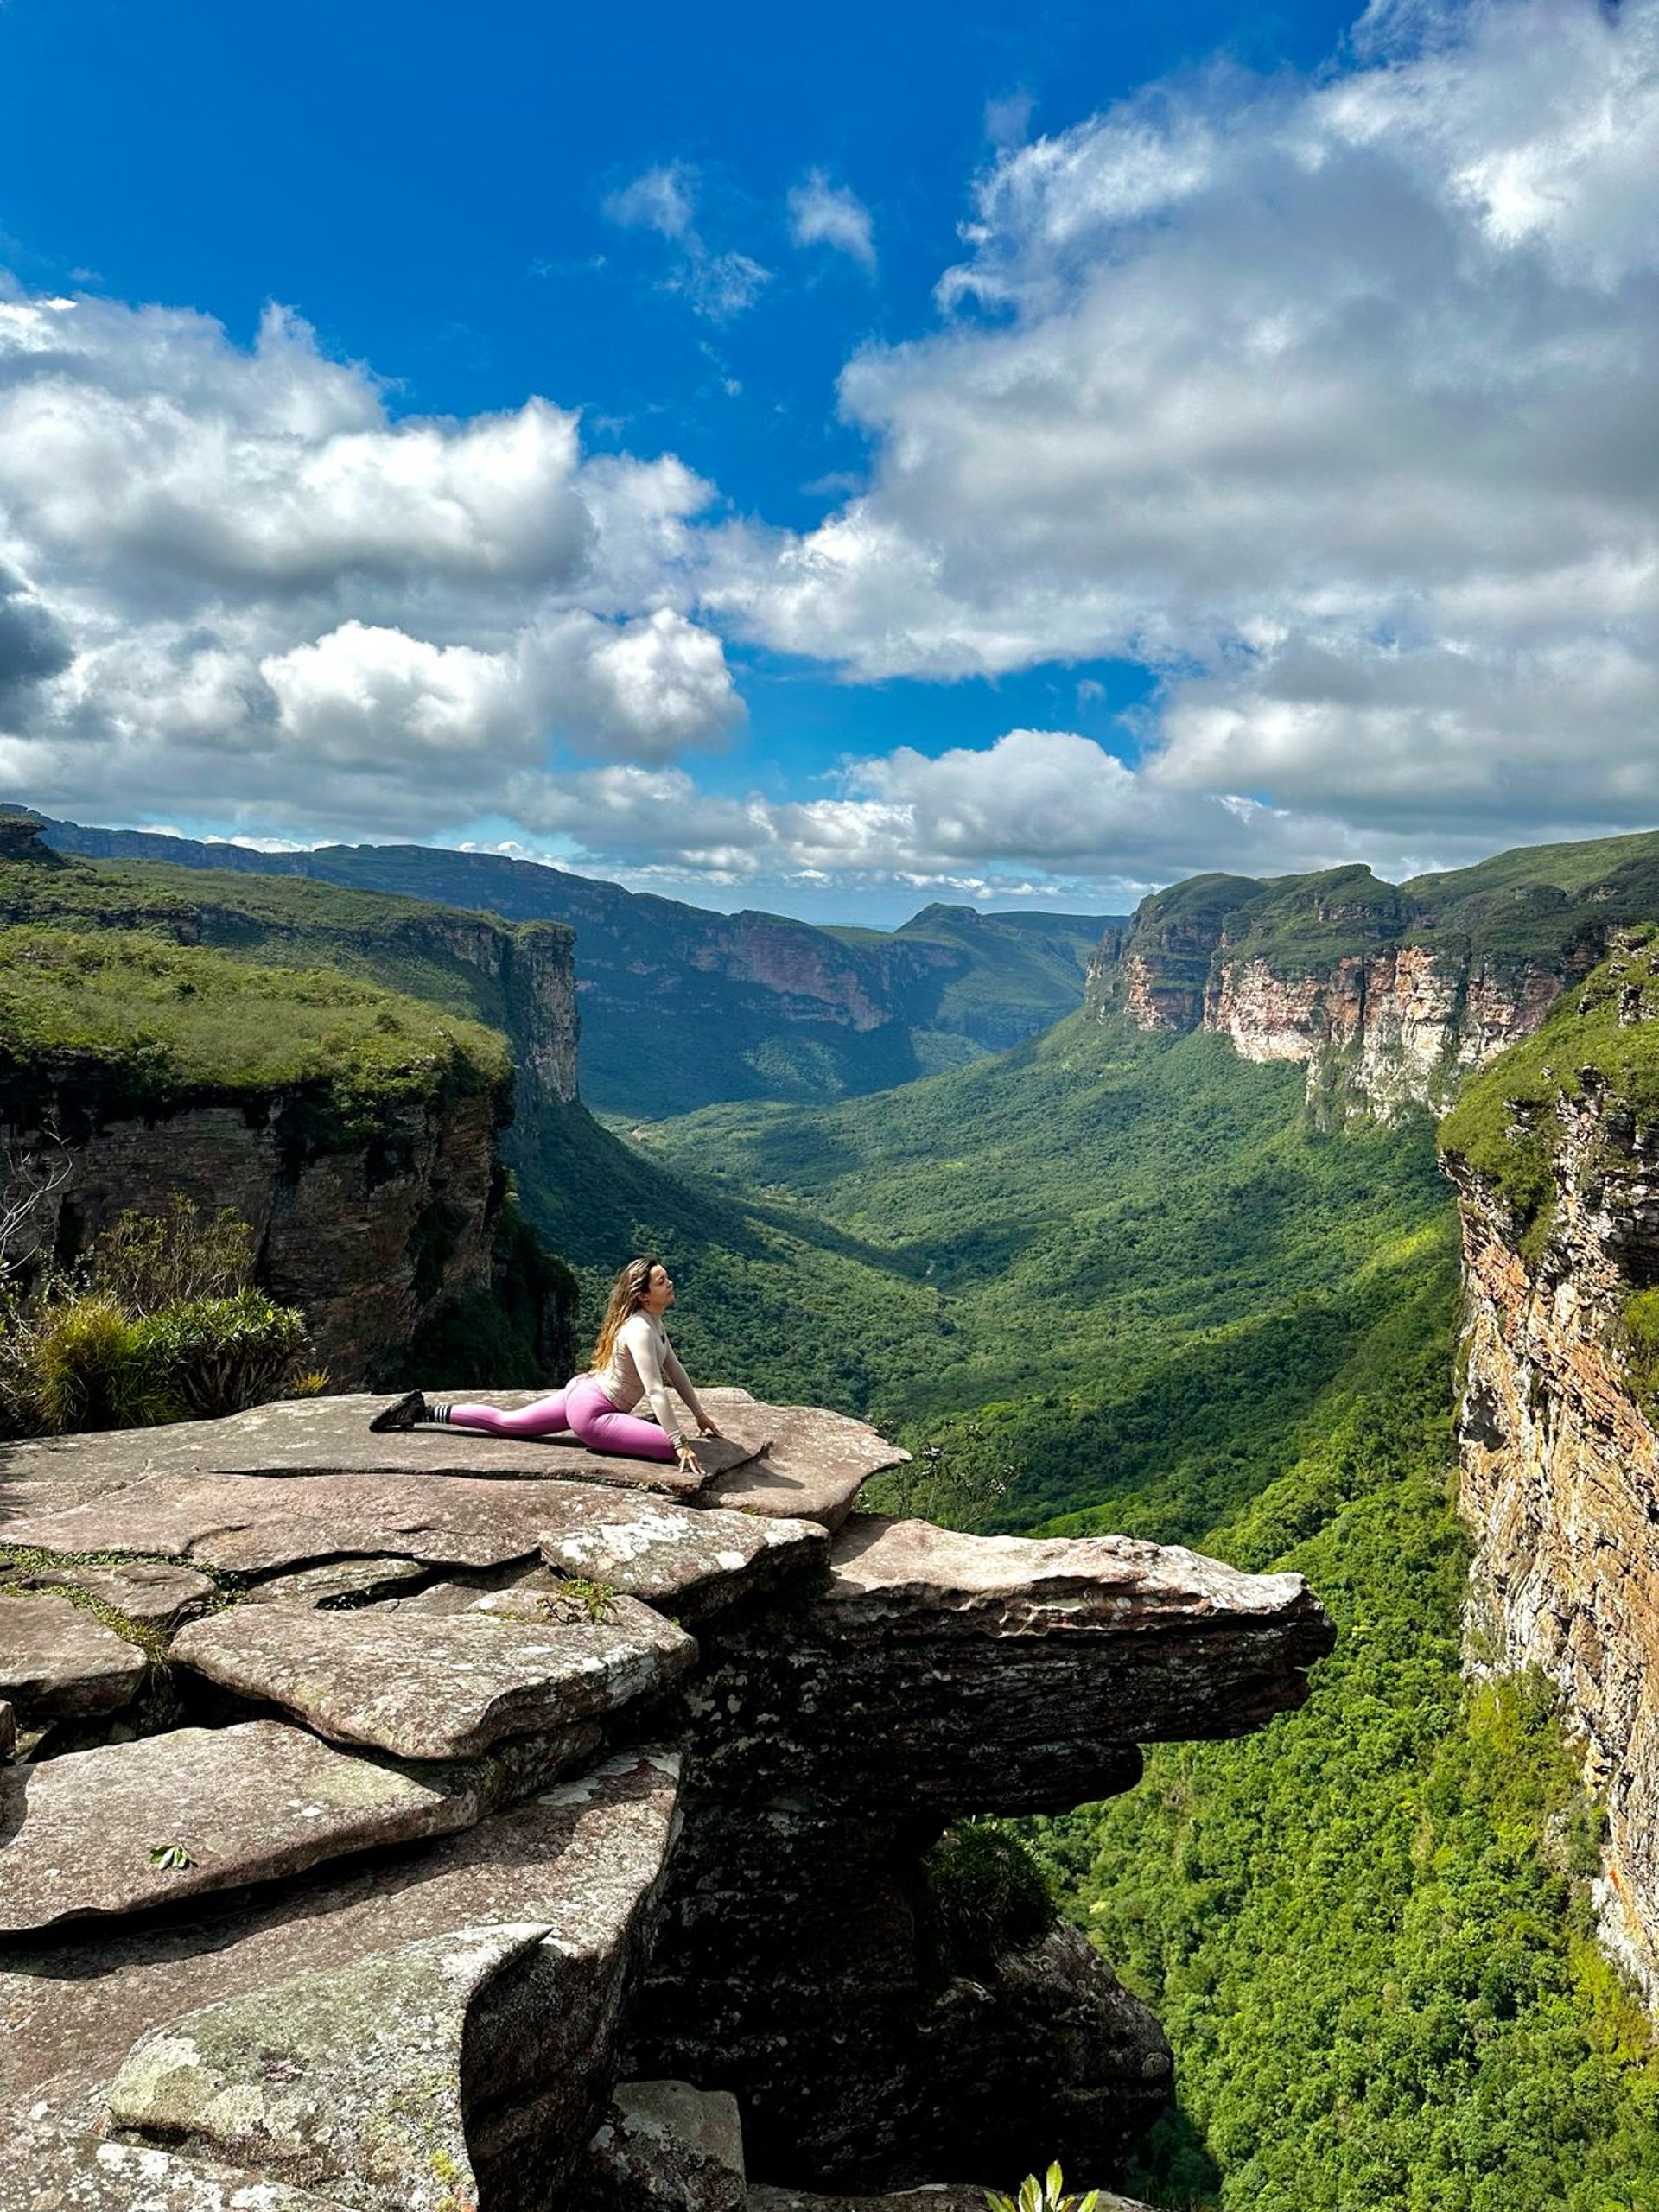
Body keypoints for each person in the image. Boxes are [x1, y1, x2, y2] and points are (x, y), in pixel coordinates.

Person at [368, 1255, 721, 1472]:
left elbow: (675, 1371)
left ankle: (424, 1411)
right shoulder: (641, 1329)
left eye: (666, 1278)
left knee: (508, 1422)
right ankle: (423, 1412)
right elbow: (656, 1390)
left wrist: (699, 1414)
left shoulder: (652, 1322)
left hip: (585, 1391)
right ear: (643, 1295)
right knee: (664, 1446)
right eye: (662, 1281)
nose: (670, 1283)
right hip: (593, 1413)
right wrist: (678, 1442)